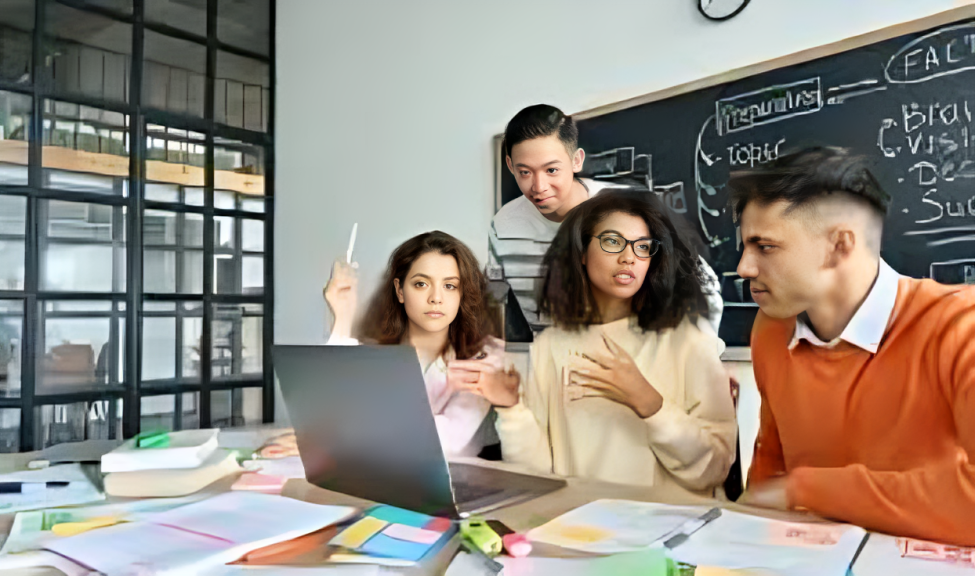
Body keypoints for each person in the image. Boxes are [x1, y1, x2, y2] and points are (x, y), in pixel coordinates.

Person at [732, 147, 975, 545]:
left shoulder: (960, 326)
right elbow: (771, 468)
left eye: (765, 247)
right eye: (745, 246)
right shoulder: (772, 330)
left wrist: (806, 490)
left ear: (840, 245)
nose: (744, 267)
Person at [494, 190, 737, 498]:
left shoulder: (689, 339)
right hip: (579, 522)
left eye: (643, 246)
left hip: (668, 524)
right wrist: (511, 410)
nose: (629, 257)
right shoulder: (550, 345)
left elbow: (715, 468)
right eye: (612, 241)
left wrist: (649, 402)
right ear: (581, 251)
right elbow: (538, 474)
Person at [489, 104, 723, 334]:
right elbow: (491, 298)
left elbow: (704, 288)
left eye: (551, 170)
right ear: (510, 165)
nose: (539, 187)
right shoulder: (504, 225)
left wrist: (695, 351)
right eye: (525, 172)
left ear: (576, 160)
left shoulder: (632, 206)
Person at [324, 231, 519, 458]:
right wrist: (342, 319)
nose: (436, 298)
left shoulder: (486, 358)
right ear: (400, 291)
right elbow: (330, 414)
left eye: (450, 286)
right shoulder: (376, 353)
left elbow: (444, 441)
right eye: (421, 284)